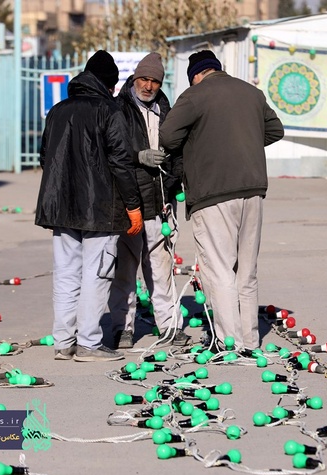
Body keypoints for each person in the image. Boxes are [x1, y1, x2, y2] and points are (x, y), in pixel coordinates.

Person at [159, 50, 284, 352]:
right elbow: (275, 130)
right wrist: (244, 140)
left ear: (196, 75)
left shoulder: (194, 96)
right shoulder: (251, 93)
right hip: (253, 192)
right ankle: (250, 339)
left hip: (213, 194)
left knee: (219, 268)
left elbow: (168, 137)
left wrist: (198, 143)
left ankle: (231, 342)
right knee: (247, 271)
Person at [35, 50, 143, 362]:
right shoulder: (110, 110)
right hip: (100, 210)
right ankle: (89, 344)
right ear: (108, 84)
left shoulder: (57, 111)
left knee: (66, 275)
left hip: (61, 208)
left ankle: (63, 342)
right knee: (97, 276)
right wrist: (133, 206)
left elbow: (46, 158)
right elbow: (121, 162)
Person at [109, 52, 190, 349]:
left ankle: (169, 326)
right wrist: (138, 156)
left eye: (155, 81)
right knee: (125, 270)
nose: (148, 85)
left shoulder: (165, 109)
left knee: (160, 267)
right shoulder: (118, 110)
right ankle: (122, 327)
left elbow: (178, 152)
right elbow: (111, 153)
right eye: (144, 79)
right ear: (135, 79)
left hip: (160, 202)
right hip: (129, 202)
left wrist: (173, 183)